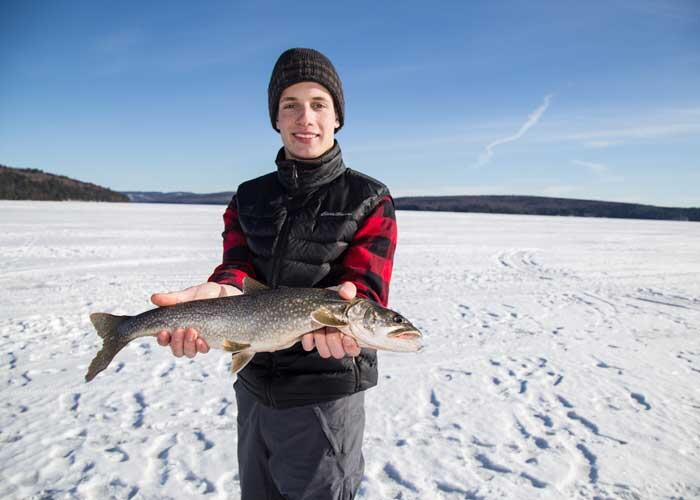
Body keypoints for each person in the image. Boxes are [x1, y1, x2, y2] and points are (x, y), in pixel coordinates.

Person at [151, 48, 397, 500]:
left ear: (337, 117)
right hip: (255, 383)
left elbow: (367, 286)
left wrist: (348, 304)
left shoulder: (369, 197)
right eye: (291, 105)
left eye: (319, 104)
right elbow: (237, 264)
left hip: (324, 393)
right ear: (276, 119)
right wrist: (223, 286)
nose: (306, 117)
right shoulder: (249, 196)